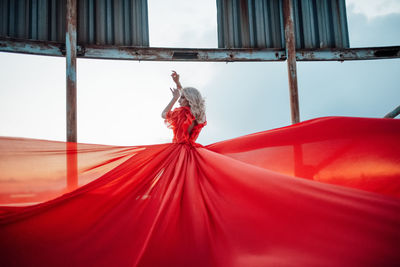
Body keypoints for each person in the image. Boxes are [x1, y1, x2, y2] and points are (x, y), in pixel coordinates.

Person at [0, 72, 400, 267]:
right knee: (176, 201)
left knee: (173, 200)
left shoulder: (189, 117)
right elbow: (168, 116)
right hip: (181, 156)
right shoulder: (190, 115)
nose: (180, 104)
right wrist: (176, 93)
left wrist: (179, 95)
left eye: (183, 99)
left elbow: (175, 122)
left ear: (188, 102)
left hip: (180, 158)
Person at [161, 70, 206, 144]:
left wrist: (174, 98)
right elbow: (186, 95)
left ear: (189, 99)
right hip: (190, 151)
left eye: (182, 98)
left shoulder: (182, 112)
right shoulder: (200, 115)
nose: (179, 101)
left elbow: (163, 114)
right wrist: (178, 83)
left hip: (178, 149)